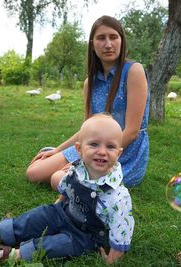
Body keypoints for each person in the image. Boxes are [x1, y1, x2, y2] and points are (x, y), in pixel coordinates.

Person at [0, 114, 134, 266]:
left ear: (118, 153)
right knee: (37, 216)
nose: (102, 151)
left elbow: (122, 230)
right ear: (79, 149)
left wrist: (112, 259)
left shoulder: (118, 196)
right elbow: (68, 188)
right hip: (63, 213)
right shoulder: (77, 168)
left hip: (84, 236)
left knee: (54, 245)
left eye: (110, 146)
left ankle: (10, 256)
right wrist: (58, 204)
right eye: (94, 144)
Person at [26, 15, 150, 190]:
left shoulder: (133, 71)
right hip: (92, 146)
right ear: (92, 44)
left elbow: (132, 131)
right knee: (34, 173)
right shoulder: (89, 82)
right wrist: (58, 150)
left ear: (122, 41)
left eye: (113, 37)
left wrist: (88, 160)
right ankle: (69, 164)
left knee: (58, 178)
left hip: (123, 151)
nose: (108, 44)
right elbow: (87, 129)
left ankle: (79, 174)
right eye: (101, 38)